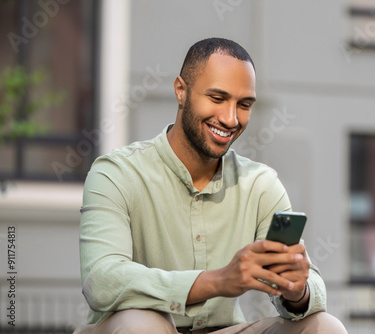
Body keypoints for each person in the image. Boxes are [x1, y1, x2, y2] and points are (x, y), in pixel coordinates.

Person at [74, 37, 347, 334]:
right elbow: (101, 282)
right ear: (181, 91)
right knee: (142, 324)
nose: (231, 119)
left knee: (324, 327)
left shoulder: (261, 184)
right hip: (134, 329)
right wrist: (218, 281)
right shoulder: (116, 174)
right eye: (217, 99)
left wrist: (297, 293)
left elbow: (310, 286)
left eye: (244, 105)